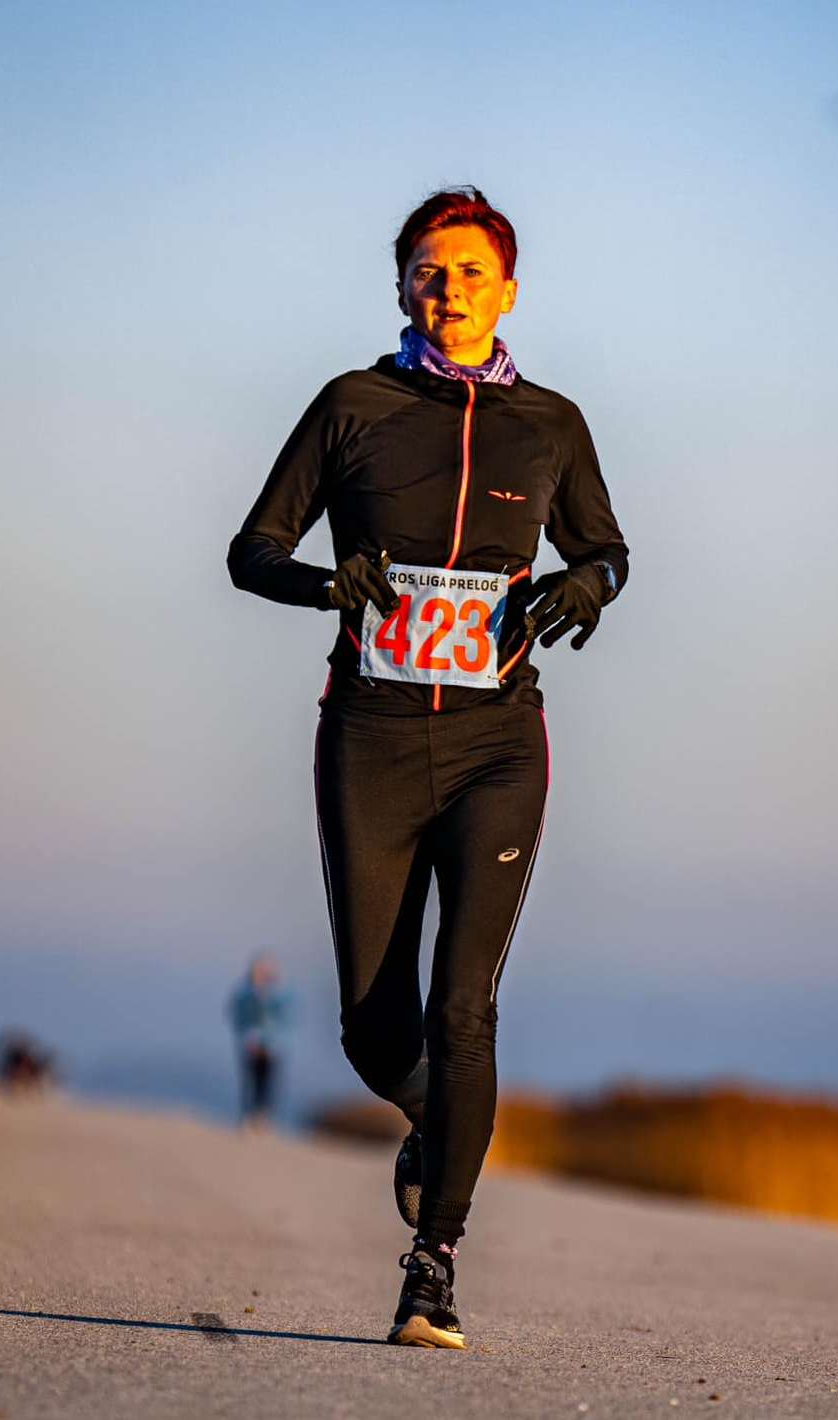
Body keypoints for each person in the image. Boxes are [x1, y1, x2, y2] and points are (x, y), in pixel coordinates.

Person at [227, 187, 628, 1348]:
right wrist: (324, 585)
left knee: (465, 1007)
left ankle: (434, 1263)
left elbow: (607, 547)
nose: (447, 288)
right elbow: (252, 549)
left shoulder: (550, 424)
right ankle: (434, 1120)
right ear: (402, 286)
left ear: (508, 291)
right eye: (427, 270)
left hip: (500, 745)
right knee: (371, 1022)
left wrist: (588, 584)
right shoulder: (352, 406)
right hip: (372, 737)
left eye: (469, 271)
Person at [227, 954, 292, 1125]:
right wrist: (250, 1038)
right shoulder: (245, 994)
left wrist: (275, 1042)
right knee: (250, 1081)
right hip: (251, 1046)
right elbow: (239, 1018)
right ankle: (248, 1115)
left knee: (268, 1082)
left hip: (272, 1047)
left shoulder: (277, 995)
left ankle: (263, 1116)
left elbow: (285, 1019)